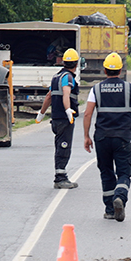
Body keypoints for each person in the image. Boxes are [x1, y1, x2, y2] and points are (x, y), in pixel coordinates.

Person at [82, 52, 131, 221]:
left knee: (106, 172)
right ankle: (120, 195)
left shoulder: (96, 89)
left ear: (104, 70)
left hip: (102, 138)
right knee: (124, 172)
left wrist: (86, 136)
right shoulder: (130, 88)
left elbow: (87, 114)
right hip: (123, 137)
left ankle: (110, 209)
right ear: (121, 70)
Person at [35, 48, 81, 189]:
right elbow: (66, 94)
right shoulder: (67, 77)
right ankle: (60, 178)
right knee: (63, 147)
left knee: (60, 146)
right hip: (64, 118)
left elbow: (49, 96)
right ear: (76, 63)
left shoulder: (56, 77)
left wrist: (41, 113)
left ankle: (62, 175)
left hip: (56, 118)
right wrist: (68, 110)